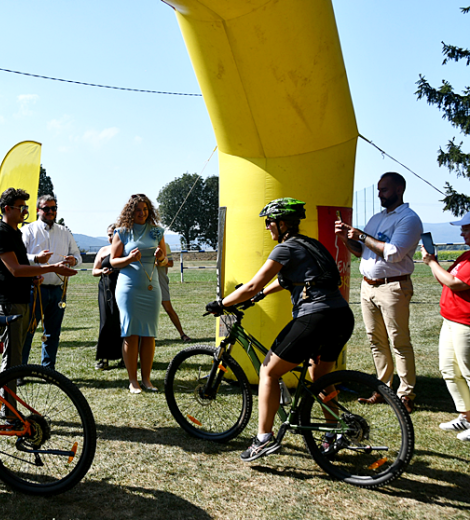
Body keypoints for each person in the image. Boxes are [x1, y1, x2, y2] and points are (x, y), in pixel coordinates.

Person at [207, 198, 354, 461]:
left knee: (268, 370)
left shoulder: (285, 249)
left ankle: (264, 439)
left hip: (316, 317)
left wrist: (222, 303)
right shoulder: (312, 245)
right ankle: (333, 433)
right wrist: (262, 295)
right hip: (341, 316)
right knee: (319, 376)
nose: (267, 228)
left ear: (282, 223)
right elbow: (288, 279)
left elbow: (251, 284)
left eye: (269, 222)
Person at [0, 188, 77, 469]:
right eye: (20, 206)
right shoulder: (2, 233)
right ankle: (8, 412)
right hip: (7, 305)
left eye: (26, 207)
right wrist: (48, 268)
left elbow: (21, 264)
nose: (24, 211)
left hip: (20, 301)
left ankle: (8, 409)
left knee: (14, 359)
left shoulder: (15, 233)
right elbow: (13, 269)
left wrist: (37, 265)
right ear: (6, 208)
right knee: (12, 360)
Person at [335, 171, 422, 413]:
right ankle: (383, 389)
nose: (379, 194)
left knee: (399, 342)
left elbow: (394, 252)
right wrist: (345, 238)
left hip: (393, 286)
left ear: (398, 190)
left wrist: (362, 235)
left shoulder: (409, 219)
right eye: (378, 189)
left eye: (384, 189)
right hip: (368, 285)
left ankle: (406, 395)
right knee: (376, 341)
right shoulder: (377, 218)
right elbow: (360, 250)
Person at [110, 194, 167, 394]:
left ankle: (147, 379)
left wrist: (161, 257)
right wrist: (129, 258)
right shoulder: (122, 232)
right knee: (131, 332)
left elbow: (164, 262)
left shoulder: (157, 232)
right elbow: (112, 261)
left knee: (149, 334)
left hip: (151, 289)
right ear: (130, 212)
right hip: (129, 288)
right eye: (137, 210)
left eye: (145, 209)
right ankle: (133, 380)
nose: (141, 213)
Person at [421, 214, 470, 441]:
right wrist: (433, 262)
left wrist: (432, 262)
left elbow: (455, 283)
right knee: (449, 369)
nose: (462, 233)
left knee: (468, 372)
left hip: (466, 324)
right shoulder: (465, 256)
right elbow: (446, 278)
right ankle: (465, 416)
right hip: (451, 320)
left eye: (467, 229)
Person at [20, 194, 82, 369]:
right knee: (28, 331)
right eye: (46, 208)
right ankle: (19, 372)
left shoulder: (64, 232)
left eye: (53, 208)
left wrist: (73, 261)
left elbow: (78, 257)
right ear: (38, 210)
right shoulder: (28, 230)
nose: (50, 212)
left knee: (53, 333)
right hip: (35, 289)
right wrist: (36, 258)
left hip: (57, 290)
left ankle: (48, 370)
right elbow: (19, 257)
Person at [92, 224, 124, 370]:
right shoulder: (103, 250)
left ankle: (125, 357)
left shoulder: (125, 250)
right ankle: (104, 358)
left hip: (123, 288)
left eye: (114, 234)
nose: (111, 237)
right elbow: (94, 271)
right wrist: (102, 271)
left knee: (122, 322)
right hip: (106, 289)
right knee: (106, 321)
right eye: (109, 234)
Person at [157, 243, 191, 342]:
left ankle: (182, 334)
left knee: (168, 309)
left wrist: (160, 261)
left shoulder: (164, 245)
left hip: (160, 280)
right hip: (144, 282)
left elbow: (170, 263)